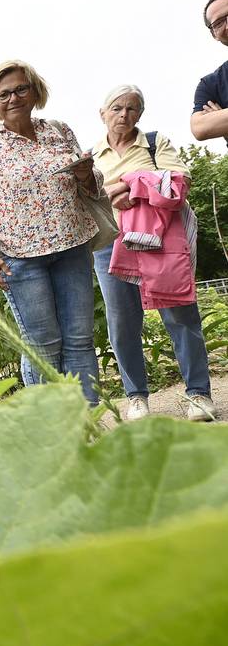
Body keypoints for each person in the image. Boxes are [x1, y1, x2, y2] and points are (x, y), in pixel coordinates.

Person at [0, 60, 101, 405]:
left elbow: (93, 187)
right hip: (20, 258)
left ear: (35, 91)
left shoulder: (60, 131)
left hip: (72, 247)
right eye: (3, 94)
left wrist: (86, 175)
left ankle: (89, 421)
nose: (12, 98)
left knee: (80, 339)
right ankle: (47, 427)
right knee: (42, 344)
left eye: (20, 89)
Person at [93, 85, 215, 422]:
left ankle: (199, 394)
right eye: (117, 108)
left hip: (158, 239)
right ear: (102, 113)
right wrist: (118, 191)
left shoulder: (153, 142)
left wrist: (127, 185)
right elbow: (87, 201)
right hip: (110, 245)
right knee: (122, 323)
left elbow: (180, 178)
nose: (124, 115)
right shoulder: (92, 156)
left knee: (179, 314)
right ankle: (136, 397)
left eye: (133, 109)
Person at [191, 0, 228, 145]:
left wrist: (222, 122)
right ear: (214, 34)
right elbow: (199, 128)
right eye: (219, 23)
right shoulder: (211, 84)